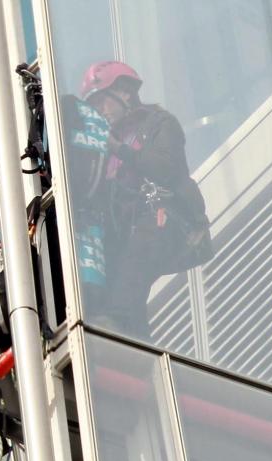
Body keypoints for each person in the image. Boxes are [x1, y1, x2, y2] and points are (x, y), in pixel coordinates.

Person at [79, 60, 212, 337]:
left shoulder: (159, 123)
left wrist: (120, 150)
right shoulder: (105, 143)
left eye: (102, 100)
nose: (99, 110)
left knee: (135, 259)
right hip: (129, 228)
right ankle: (134, 342)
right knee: (119, 273)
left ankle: (116, 321)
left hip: (167, 218)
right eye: (94, 105)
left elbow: (166, 168)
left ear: (124, 92)